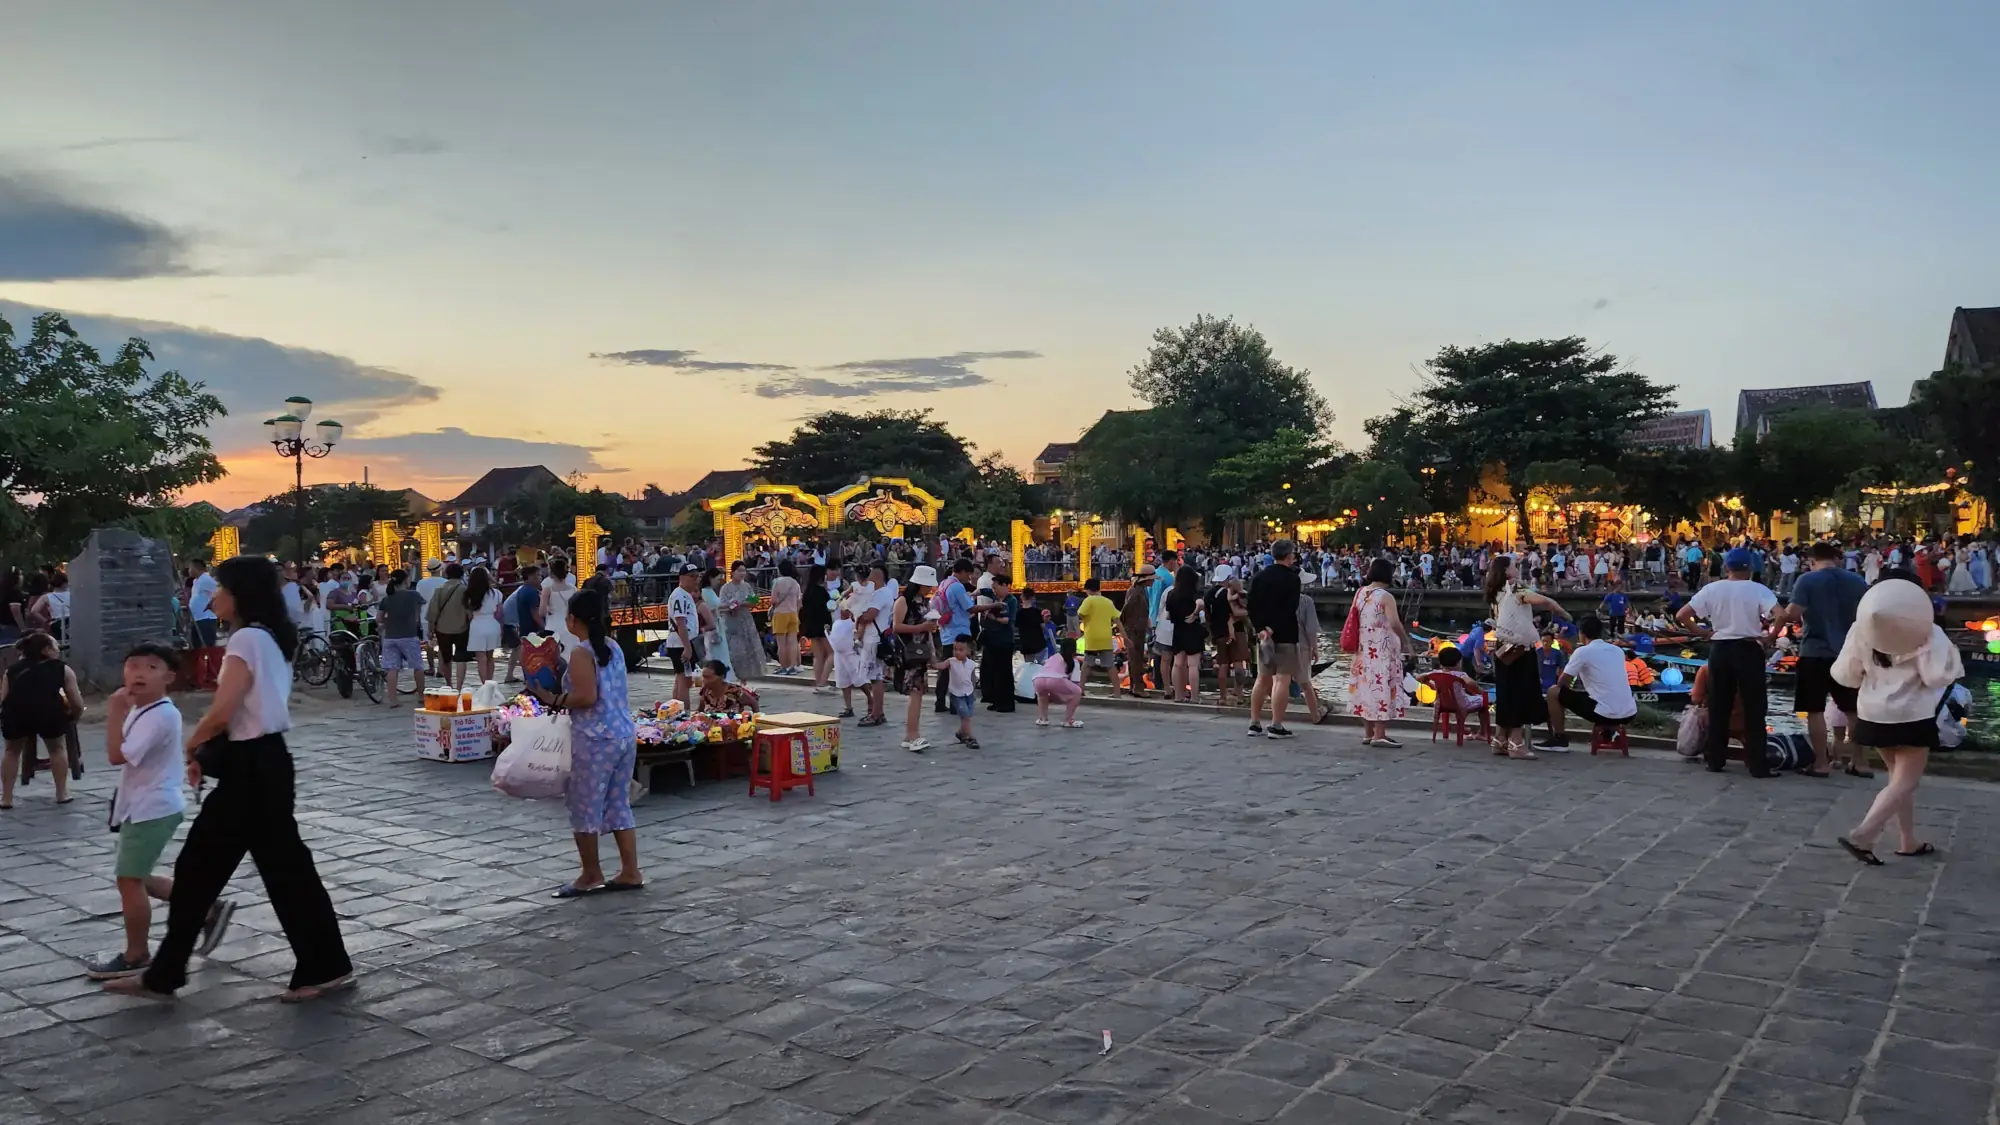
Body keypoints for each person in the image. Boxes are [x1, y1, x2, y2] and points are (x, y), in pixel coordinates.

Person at [109, 557, 352, 1002]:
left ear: (239, 594)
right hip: (264, 763)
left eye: (219, 589)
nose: (212, 597)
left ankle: (167, 973)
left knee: (218, 868)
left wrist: (191, 744)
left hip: (252, 768)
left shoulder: (247, 638)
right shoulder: (268, 637)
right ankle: (323, 966)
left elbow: (224, 709)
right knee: (275, 869)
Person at [85, 644, 237, 979]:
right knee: (138, 877)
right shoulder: (145, 710)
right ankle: (208, 908)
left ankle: (136, 954)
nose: (139, 673)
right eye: (133, 666)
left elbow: (115, 755)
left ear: (170, 677)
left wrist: (114, 712)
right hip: (141, 806)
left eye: (151, 668)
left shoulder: (160, 714)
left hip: (152, 809)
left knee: (129, 880)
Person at [1835, 578, 1962, 865]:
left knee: (1897, 781)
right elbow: (1937, 677)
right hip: (1912, 715)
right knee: (1904, 782)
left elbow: (1846, 675)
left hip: (1873, 715)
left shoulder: (1861, 631)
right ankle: (1864, 834)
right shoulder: (1929, 632)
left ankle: (1908, 840)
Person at [527, 588, 643, 897]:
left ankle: (591, 873)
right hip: (622, 734)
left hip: (594, 738)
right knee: (618, 802)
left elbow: (586, 696)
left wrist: (552, 698)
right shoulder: (612, 647)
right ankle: (630, 870)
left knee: (585, 805)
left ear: (573, 619)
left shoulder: (581, 652)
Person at [1676, 547, 1779, 777]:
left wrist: (1704, 633)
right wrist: (1771, 637)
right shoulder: (1757, 589)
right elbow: (1780, 614)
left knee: (1719, 705)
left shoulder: (1712, 589)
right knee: (1754, 708)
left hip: (1721, 648)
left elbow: (1682, 615)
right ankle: (1757, 764)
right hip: (1748, 648)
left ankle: (1715, 759)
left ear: (1726, 568)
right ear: (1750, 568)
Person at [1780, 542, 1868, 778]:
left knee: (1815, 710)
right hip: (1849, 652)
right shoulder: (1857, 581)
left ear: (1811, 560)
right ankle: (1860, 762)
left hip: (1815, 651)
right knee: (1854, 710)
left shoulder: (1807, 580)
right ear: (1837, 558)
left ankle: (1821, 763)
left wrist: (1776, 617)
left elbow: (1794, 614)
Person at [1486, 555, 1569, 761]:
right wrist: (1560, 610)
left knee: (1505, 693)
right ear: (1506, 571)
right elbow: (1541, 600)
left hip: (1502, 649)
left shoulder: (1495, 593)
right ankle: (1517, 742)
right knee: (1521, 693)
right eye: (1513, 566)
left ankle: (1500, 739)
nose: (1517, 569)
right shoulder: (1515, 590)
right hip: (1520, 650)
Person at [1, 632, 84, 808]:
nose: (58, 651)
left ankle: (6, 797)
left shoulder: (12, 670)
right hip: (48, 712)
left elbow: (4, 699)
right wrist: (74, 717)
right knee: (56, 749)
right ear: (46, 650)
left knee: (11, 752)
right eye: (55, 647)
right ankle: (61, 793)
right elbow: (76, 701)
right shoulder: (62, 668)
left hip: (16, 713)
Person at [1538, 616, 1638, 749]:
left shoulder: (1582, 652)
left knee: (1553, 692)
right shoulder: (1617, 651)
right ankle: (1608, 733)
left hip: (1604, 714)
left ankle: (1559, 738)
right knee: (1599, 694)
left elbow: (1563, 682)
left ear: (1581, 634)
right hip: (1629, 713)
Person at [1347, 557, 1409, 745]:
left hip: (1363, 649)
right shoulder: (1385, 596)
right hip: (1382, 649)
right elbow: (1394, 622)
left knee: (1366, 687)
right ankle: (1379, 734)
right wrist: (1406, 642)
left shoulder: (1360, 593)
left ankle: (1368, 732)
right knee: (1382, 687)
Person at [1246, 538, 1304, 739]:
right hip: (1285, 633)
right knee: (1282, 679)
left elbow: (1251, 606)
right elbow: (1290, 608)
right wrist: (1273, 627)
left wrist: (1261, 628)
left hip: (1263, 637)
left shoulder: (1259, 577)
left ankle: (1254, 722)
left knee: (1262, 678)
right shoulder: (1292, 579)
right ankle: (1276, 724)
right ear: (1289, 555)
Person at [891, 565, 942, 753]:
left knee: (918, 692)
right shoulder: (903, 601)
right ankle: (912, 734)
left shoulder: (924, 603)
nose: (930, 589)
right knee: (914, 691)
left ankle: (911, 733)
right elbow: (897, 627)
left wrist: (932, 654)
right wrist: (921, 628)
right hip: (908, 651)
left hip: (921, 651)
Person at [376, 569, 426, 707]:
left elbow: (379, 618)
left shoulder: (387, 598)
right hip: (409, 635)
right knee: (417, 666)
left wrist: (387, 624)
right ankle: (421, 695)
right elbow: (418, 615)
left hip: (390, 636)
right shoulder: (413, 595)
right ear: (406, 580)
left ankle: (393, 699)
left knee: (392, 668)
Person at [425, 563, 472, 692]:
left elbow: (433, 611)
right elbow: (469, 610)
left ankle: (449, 683)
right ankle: (460, 686)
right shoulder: (465, 589)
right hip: (462, 627)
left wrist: (430, 629)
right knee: (461, 657)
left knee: (446, 658)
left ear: (447, 574)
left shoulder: (440, 589)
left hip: (442, 628)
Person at [1163, 565, 1206, 703]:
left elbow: (1167, 615)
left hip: (1178, 630)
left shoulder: (1171, 593)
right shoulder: (1195, 592)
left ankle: (1178, 696)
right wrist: (1194, 614)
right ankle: (1194, 697)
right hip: (1192, 629)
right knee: (1193, 665)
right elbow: (1200, 603)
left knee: (1177, 664)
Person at [718, 561, 764, 680]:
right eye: (739, 570)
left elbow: (754, 601)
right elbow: (721, 606)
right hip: (731, 621)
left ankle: (745, 679)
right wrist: (731, 607)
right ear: (733, 572)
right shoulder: (726, 588)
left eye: (744, 570)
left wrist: (741, 604)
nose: (742, 573)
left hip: (746, 620)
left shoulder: (747, 586)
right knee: (734, 651)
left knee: (748, 651)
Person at [980, 573, 1019, 712]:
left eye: (996, 587)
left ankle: (1007, 702)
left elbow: (1007, 621)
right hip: (992, 639)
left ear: (1004, 586)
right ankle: (996, 700)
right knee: (994, 671)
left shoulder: (1011, 600)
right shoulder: (995, 598)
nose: (993, 589)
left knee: (1005, 672)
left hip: (1004, 641)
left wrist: (992, 617)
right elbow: (982, 591)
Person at [666, 563, 703, 706]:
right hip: (681, 642)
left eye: (697, 576)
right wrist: (687, 648)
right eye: (692, 576)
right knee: (685, 680)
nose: (696, 580)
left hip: (683, 641)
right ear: (682, 577)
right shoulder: (679, 596)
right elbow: (680, 623)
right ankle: (684, 712)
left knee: (680, 678)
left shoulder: (685, 595)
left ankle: (676, 708)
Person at [1074, 577, 1118, 692]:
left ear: (1088, 590)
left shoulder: (1089, 600)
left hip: (1092, 637)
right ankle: (1117, 692)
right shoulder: (1108, 602)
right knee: (1110, 665)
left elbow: (1080, 614)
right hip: (1106, 637)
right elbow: (1117, 618)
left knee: (1087, 664)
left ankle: (1081, 689)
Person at [937, 636, 980, 748]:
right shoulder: (951, 661)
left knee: (968, 716)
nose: (957, 652)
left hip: (968, 693)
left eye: (960, 650)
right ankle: (970, 737)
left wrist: (974, 691)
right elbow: (941, 666)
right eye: (955, 649)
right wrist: (932, 662)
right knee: (965, 716)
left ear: (968, 651)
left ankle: (961, 732)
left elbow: (972, 678)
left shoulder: (971, 664)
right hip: (956, 694)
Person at [464, 566, 504, 686]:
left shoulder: (468, 594)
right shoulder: (496, 593)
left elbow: (469, 614)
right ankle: (490, 682)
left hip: (477, 625)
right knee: (490, 657)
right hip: (492, 624)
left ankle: (484, 684)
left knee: (481, 658)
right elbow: (500, 613)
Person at [1118, 566, 1154, 696]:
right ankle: (1138, 688)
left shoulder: (1139, 590)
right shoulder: (1136, 592)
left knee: (1135, 658)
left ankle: (1135, 686)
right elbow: (1126, 609)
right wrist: (1125, 625)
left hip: (1137, 627)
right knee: (1136, 658)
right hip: (1135, 629)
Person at [1033, 637, 1085, 727]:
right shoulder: (1073, 661)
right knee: (1077, 692)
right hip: (1055, 679)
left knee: (1042, 696)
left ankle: (1043, 719)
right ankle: (1068, 720)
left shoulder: (1053, 657)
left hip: (1039, 679)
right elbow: (1075, 682)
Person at [501, 564, 540, 683]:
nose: (540, 578)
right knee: (520, 650)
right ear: (531, 577)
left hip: (510, 622)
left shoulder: (522, 589)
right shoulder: (528, 591)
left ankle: (511, 675)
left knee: (518, 649)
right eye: (538, 575)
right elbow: (534, 612)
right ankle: (524, 676)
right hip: (512, 623)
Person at [801, 563, 835, 695]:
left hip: (811, 625)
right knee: (832, 653)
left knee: (818, 655)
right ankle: (823, 681)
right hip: (822, 625)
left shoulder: (807, 591)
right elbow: (827, 608)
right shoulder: (821, 592)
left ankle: (819, 682)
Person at [769, 561, 803, 675]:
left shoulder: (778, 582)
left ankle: (784, 667)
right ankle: (793, 667)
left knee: (781, 643)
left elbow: (773, 600)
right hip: (793, 613)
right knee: (793, 642)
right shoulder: (796, 583)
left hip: (780, 614)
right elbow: (799, 602)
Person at [541, 556, 578, 654]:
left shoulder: (547, 589)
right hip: (571, 626)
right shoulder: (573, 589)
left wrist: (549, 609)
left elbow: (542, 612)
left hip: (553, 626)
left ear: (552, 572)